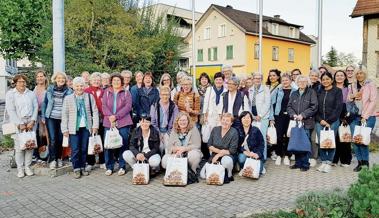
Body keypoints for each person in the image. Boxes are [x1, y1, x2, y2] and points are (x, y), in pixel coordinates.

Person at [61, 77, 99, 179]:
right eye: (77, 86)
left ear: (84, 86)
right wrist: (64, 129)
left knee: (84, 148)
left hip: (86, 127)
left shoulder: (89, 97)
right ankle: (76, 168)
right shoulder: (68, 98)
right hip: (73, 128)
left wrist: (95, 126)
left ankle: (82, 166)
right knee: (75, 149)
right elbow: (64, 114)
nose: (79, 88)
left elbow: (95, 112)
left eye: (81, 86)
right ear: (73, 87)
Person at [6, 74, 38, 178]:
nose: (22, 83)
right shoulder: (11, 94)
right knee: (19, 148)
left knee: (30, 146)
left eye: (23, 81)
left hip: (30, 122)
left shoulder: (31, 93)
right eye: (19, 81)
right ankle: (20, 169)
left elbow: (35, 107)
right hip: (18, 123)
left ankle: (27, 167)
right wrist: (19, 124)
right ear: (15, 83)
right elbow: (11, 110)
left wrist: (32, 120)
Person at [102, 73, 133, 176]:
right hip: (109, 122)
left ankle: (122, 166)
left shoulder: (126, 93)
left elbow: (128, 107)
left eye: (118, 80)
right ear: (111, 81)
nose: (116, 82)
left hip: (123, 122)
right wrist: (111, 116)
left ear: (122, 82)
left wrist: (116, 116)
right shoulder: (106, 92)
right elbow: (104, 106)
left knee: (123, 145)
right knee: (108, 145)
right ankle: (109, 167)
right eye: (114, 80)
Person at [42, 72, 73, 169]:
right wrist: (43, 116)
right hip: (51, 117)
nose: (61, 80)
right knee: (53, 139)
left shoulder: (69, 91)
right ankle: (52, 160)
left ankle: (59, 158)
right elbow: (44, 103)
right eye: (59, 78)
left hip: (63, 118)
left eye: (63, 78)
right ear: (55, 79)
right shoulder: (50, 89)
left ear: (65, 80)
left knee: (60, 139)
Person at [287, 75, 318, 171]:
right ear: (297, 83)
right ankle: (297, 163)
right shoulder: (294, 93)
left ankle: (305, 164)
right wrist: (293, 115)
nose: (302, 83)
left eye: (304, 81)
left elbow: (314, 106)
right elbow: (289, 107)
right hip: (296, 122)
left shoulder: (311, 92)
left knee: (305, 143)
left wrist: (303, 115)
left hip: (307, 122)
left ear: (307, 82)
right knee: (296, 142)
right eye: (300, 81)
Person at [348, 69, 377, 172]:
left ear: (365, 74)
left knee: (363, 140)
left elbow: (373, 101)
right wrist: (352, 96)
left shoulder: (371, 85)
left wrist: (364, 116)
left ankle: (366, 163)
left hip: (368, 117)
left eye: (361, 73)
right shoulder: (352, 86)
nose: (359, 75)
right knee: (356, 140)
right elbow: (348, 99)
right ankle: (359, 162)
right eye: (357, 74)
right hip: (354, 116)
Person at [315, 72, 343, 173]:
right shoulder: (319, 91)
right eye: (323, 80)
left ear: (331, 80)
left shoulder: (337, 91)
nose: (325, 81)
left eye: (327, 79)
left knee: (330, 141)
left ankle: (329, 162)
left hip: (333, 121)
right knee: (321, 142)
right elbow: (315, 108)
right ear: (321, 81)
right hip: (320, 121)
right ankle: (323, 161)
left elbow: (338, 108)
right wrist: (320, 120)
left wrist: (328, 121)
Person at [202, 113, 238, 181]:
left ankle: (229, 173)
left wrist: (218, 155)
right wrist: (218, 153)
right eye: (223, 119)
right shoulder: (215, 129)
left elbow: (232, 150)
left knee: (226, 162)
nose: (224, 122)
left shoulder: (234, 132)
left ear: (231, 123)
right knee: (203, 175)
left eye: (227, 120)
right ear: (220, 120)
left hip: (228, 156)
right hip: (214, 155)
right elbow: (209, 145)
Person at [271, 73, 296, 166]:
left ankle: (287, 156)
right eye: (283, 80)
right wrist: (271, 117)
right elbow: (271, 104)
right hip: (279, 116)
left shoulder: (295, 91)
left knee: (289, 136)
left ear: (290, 81)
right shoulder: (277, 90)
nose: (285, 82)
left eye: (286, 80)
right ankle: (278, 155)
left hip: (290, 117)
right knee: (279, 136)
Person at [84, 72, 106, 170]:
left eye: (98, 80)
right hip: (90, 118)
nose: (96, 81)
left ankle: (102, 161)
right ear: (90, 81)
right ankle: (90, 162)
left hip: (101, 118)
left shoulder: (103, 91)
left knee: (101, 139)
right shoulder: (86, 91)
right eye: (94, 80)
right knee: (90, 140)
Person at [248, 72, 271, 160]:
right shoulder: (250, 89)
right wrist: (252, 116)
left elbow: (267, 103)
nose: (257, 80)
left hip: (263, 117)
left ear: (261, 79)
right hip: (253, 117)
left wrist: (260, 115)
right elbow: (249, 104)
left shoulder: (265, 89)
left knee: (262, 137)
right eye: (255, 78)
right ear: (253, 79)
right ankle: (253, 155)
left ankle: (263, 157)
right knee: (253, 137)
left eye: (259, 78)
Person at [150, 86, 179, 154]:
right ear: (160, 95)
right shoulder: (154, 106)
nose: (165, 96)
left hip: (169, 131)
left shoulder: (174, 106)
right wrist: (159, 134)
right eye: (163, 94)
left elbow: (175, 122)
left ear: (169, 95)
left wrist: (168, 134)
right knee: (160, 146)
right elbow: (152, 122)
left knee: (168, 146)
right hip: (157, 130)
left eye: (167, 94)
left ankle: (166, 161)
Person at [332, 70, 352, 167]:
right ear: (334, 77)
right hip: (334, 114)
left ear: (345, 77)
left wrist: (346, 116)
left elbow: (351, 103)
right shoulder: (331, 88)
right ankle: (334, 160)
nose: (339, 77)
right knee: (335, 137)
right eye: (337, 75)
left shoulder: (349, 89)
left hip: (346, 114)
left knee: (345, 137)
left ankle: (345, 160)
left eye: (341, 75)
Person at [33, 69, 49, 162]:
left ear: (45, 77)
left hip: (45, 115)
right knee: (37, 134)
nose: (39, 78)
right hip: (36, 115)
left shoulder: (48, 89)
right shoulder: (34, 89)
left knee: (46, 135)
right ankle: (37, 155)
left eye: (41, 76)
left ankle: (47, 155)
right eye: (38, 76)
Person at [266, 69, 281, 160]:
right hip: (266, 113)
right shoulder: (267, 87)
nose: (271, 77)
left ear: (278, 77)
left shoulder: (280, 87)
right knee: (268, 133)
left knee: (275, 133)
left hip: (275, 113)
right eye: (270, 75)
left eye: (274, 75)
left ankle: (274, 151)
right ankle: (268, 150)